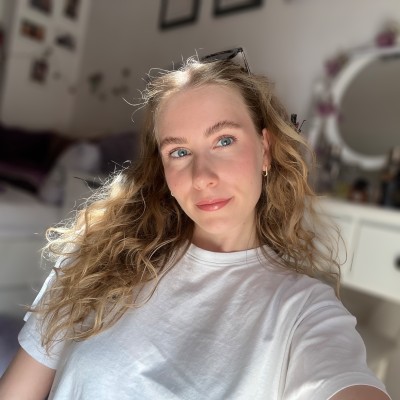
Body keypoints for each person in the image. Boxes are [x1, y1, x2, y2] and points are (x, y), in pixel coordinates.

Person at [0, 48, 391, 400]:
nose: (202, 176)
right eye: (180, 151)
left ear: (265, 150)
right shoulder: (97, 253)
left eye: (224, 141)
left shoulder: (303, 309)